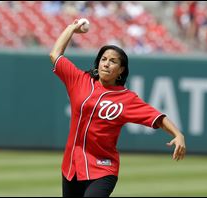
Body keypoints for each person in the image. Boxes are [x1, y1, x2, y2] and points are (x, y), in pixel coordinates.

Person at [49, 19, 186, 197]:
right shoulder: (80, 80)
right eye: (103, 59)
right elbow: (55, 54)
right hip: (71, 166)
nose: (106, 63)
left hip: (103, 168)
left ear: (121, 70)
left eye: (113, 61)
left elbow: (157, 117)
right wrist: (71, 29)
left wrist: (178, 134)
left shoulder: (126, 98)